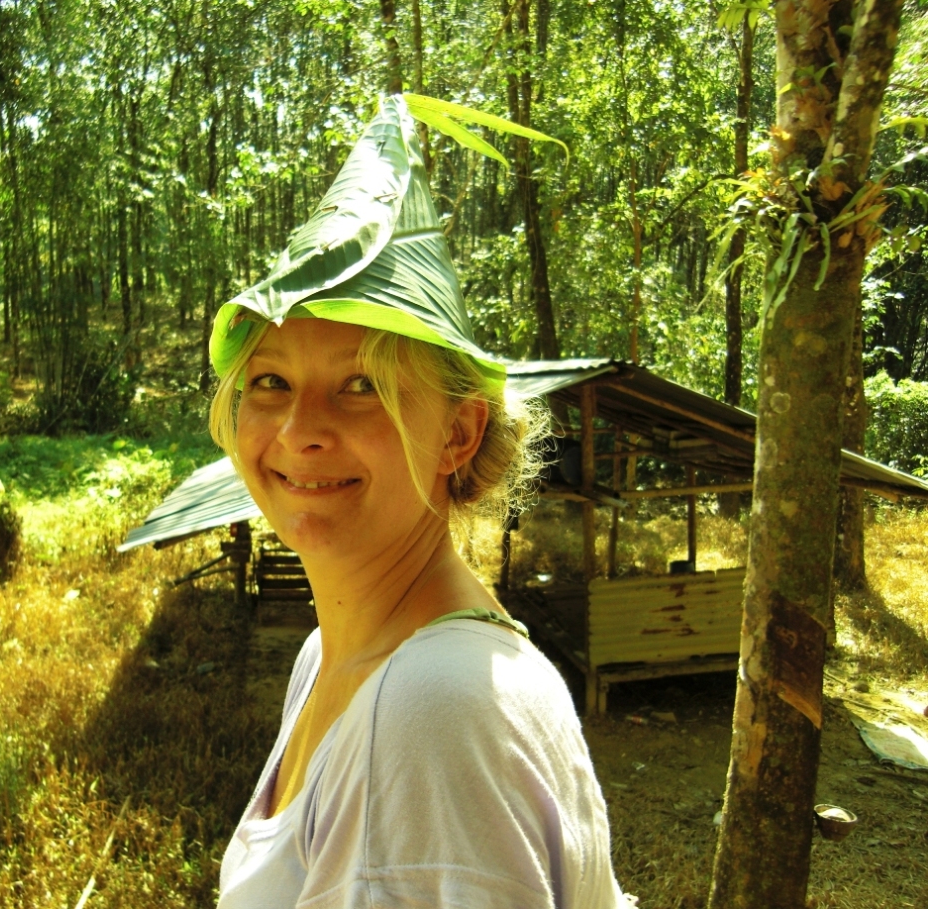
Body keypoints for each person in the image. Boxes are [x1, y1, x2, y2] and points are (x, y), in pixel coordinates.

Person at [207, 95, 631, 909]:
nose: (299, 430)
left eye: (361, 385)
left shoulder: (431, 710)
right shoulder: (333, 658)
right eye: (270, 381)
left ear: (457, 434)